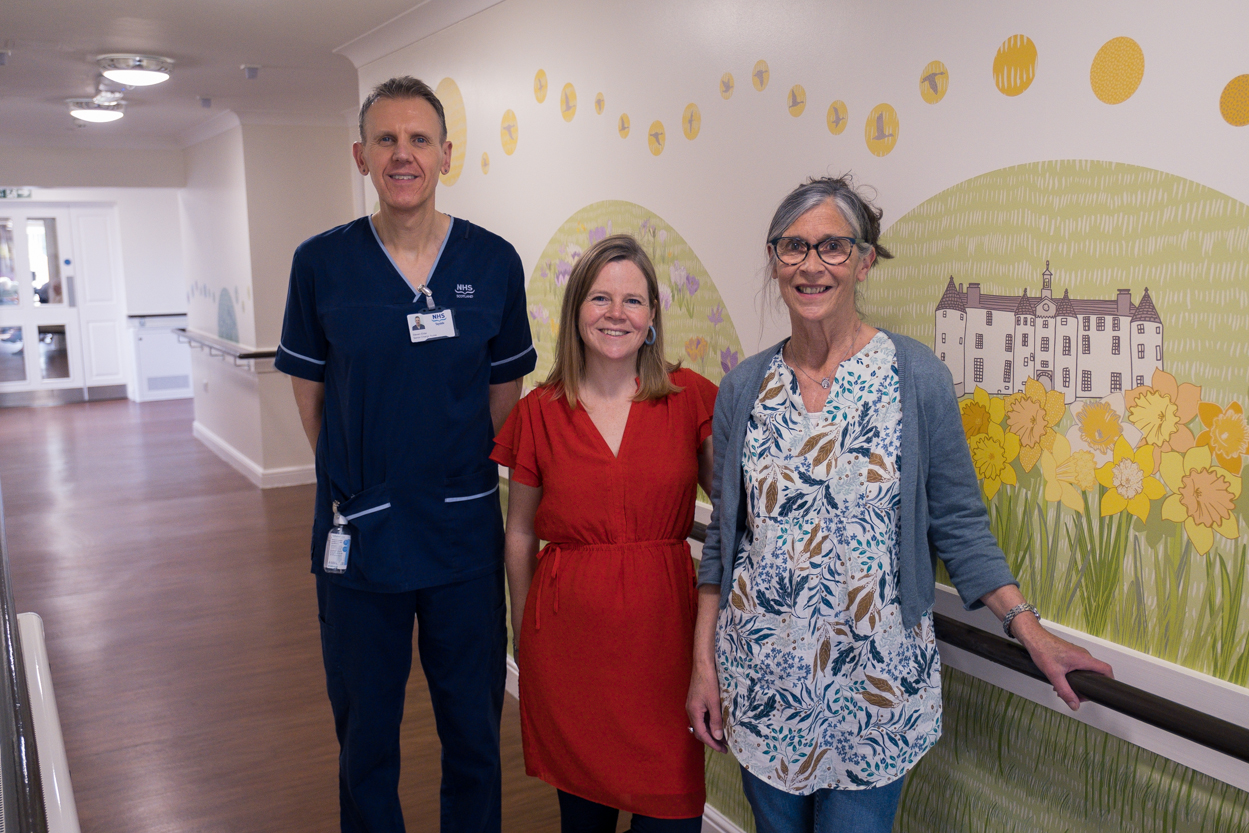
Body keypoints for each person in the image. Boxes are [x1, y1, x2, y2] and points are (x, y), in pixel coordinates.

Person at [685, 176, 1113, 833]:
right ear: (775, 262)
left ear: (863, 261)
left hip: (877, 687)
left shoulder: (915, 376)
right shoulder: (744, 387)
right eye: (793, 246)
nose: (811, 264)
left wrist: (1029, 631)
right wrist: (703, 666)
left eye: (833, 246)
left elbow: (959, 524)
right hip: (764, 680)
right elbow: (724, 542)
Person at [275, 76, 536, 833]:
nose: (402, 154)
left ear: (446, 154)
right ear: (360, 155)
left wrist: (443, 469)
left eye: (419, 139)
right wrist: (364, 479)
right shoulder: (321, 264)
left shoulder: (492, 262)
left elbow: (502, 398)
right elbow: (312, 399)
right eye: (385, 139)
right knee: (365, 742)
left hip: (461, 541)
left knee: (474, 735)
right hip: (360, 540)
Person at [491, 234, 716, 833]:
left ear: (652, 316)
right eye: (600, 298)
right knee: (583, 821)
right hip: (570, 653)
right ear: (576, 311)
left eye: (633, 300)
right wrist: (524, 635)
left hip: (666, 654)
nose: (617, 314)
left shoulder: (689, 398)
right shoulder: (540, 411)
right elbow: (520, 533)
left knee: (672, 815)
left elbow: (739, 512)